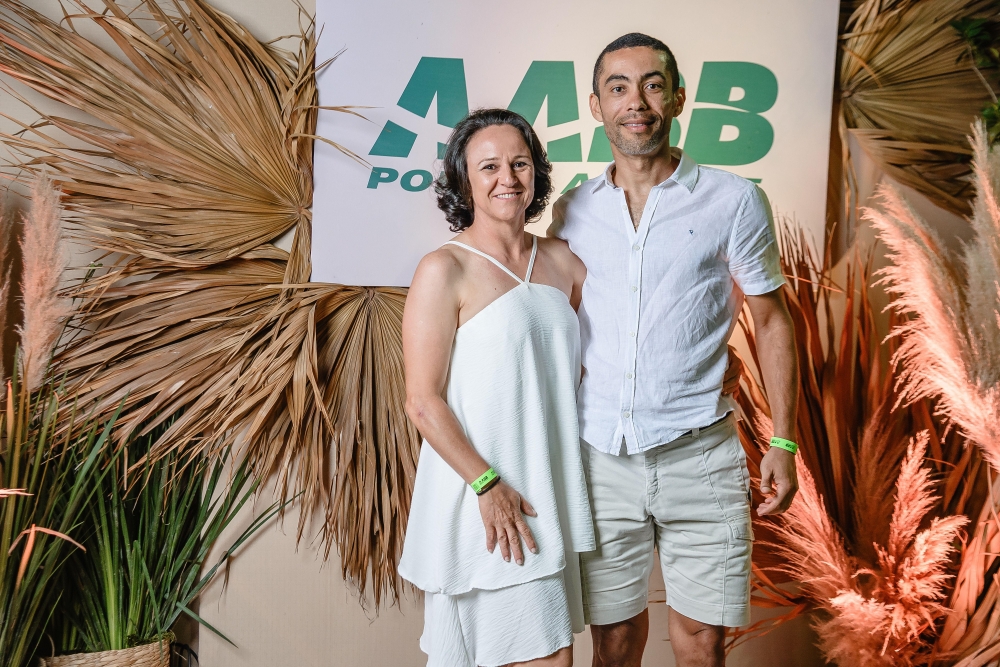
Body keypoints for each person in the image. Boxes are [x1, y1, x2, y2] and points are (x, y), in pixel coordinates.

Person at [549, 33, 800, 667]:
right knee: (614, 645)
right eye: (618, 88)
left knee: (702, 646)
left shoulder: (735, 200)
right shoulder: (573, 211)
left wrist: (784, 440)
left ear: (679, 98)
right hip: (601, 458)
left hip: (701, 456)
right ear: (597, 106)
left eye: (653, 85)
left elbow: (772, 321)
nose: (636, 102)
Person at [398, 108, 595, 667]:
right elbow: (422, 401)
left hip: (544, 490)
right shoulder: (444, 269)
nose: (507, 178)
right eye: (489, 166)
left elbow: (601, 360)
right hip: (484, 497)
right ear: (463, 180)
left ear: (537, 173)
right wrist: (487, 485)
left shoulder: (562, 262)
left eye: (520, 163)